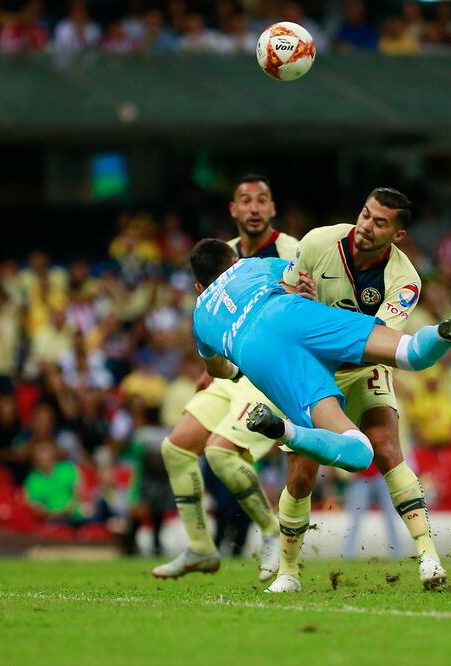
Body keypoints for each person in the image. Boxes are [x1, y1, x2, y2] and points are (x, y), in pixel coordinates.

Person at [188, 235, 451, 592]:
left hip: (285, 357)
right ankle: (442, 333)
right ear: (234, 259)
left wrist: (235, 369)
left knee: (363, 452)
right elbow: (297, 278)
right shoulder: (260, 264)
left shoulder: (201, 315)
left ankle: (292, 565)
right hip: (315, 329)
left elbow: (218, 368)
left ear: (197, 285)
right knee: (410, 358)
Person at [273, 188, 446, 592]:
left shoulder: (404, 280)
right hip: (314, 370)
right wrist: (295, 303)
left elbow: (380, 342)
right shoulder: (317, 242)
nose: (367, 227)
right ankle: (288, 571)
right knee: (300, 474)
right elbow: (277, 305)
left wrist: (314, 321)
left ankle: (428, 557)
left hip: (363, 366)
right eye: (366, 215)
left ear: (398, 235)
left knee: (386, 447)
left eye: (380, 222)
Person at [152, 176, 298, 582]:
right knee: (176, 448)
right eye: (245, 201)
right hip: (231, 374)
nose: (254, 208)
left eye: (262, 200)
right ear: (233, 210)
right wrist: (209, 370)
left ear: (272, 209)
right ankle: (200, 548)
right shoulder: (222, 257)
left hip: (271, 375)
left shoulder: (292, 251)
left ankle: (272, 534)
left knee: (220, 453)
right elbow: (213, 322)